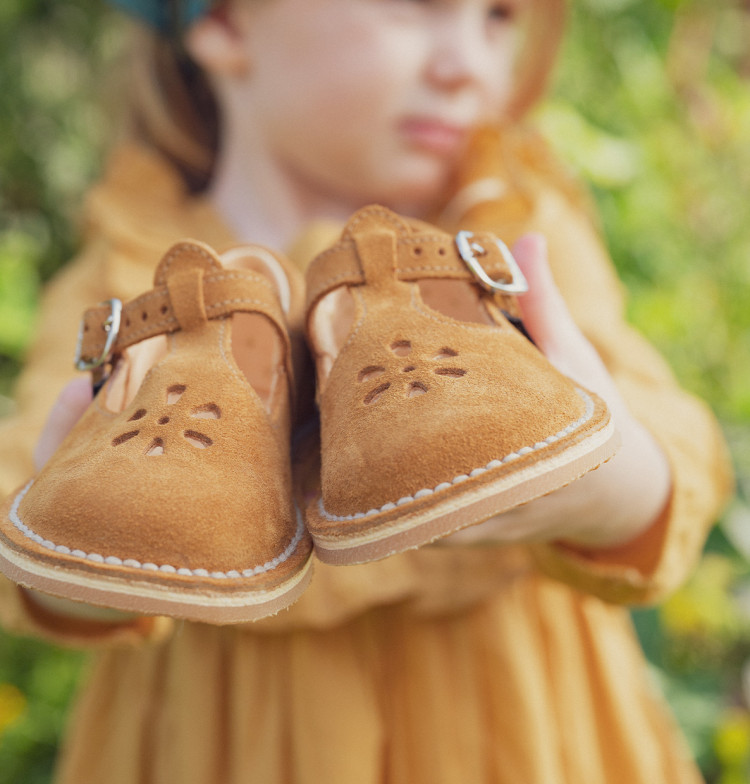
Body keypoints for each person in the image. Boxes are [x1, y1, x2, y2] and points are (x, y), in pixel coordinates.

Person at [0, 0, 733, 781]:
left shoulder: (509, 228)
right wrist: (85, 551)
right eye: (418, 8)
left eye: (497, 17)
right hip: (224, 746)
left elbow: (674, 440)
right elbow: (27, 507)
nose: (469, 65)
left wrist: (610, 487)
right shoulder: (129, 269)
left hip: (521, 729)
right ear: (223, 22)